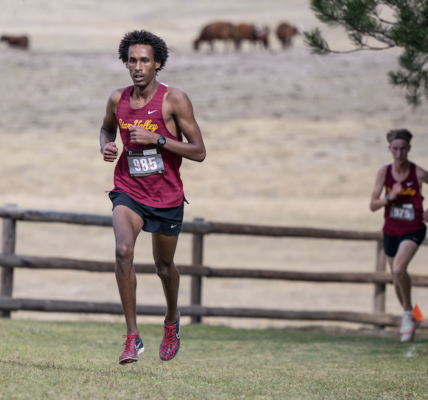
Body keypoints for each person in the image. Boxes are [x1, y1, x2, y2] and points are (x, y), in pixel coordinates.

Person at [99, 30, 206, 364]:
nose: (138, 67)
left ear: (157, 63)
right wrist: (106, 145)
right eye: (132, 60)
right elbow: (106, 128)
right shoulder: (117, 99)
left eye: (144, 60)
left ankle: (171, 320)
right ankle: (132, 337)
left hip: (166, 196)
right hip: (129, 190)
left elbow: (199, 151)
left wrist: (157, 140)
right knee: (122, 251)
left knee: (163, 266)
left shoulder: (174, 100)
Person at [370, 129, 428, 342]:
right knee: (397, 277)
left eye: (403, 149)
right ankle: (412, 314)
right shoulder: (383, 173)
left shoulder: (418, 173)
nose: (399, 153)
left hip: (413, 229)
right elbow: (372, 205)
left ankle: (407, 315)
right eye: (395, 149)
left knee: (397, 268)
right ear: (389, 149)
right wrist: (389, 197)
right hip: (391, 230)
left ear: (409, 148)